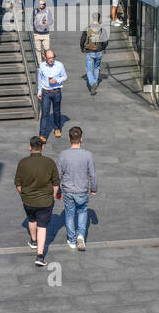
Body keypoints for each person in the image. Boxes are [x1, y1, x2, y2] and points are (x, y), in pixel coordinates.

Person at [15, 135, 60, 267]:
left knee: (31, 220)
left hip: (28, 200)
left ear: (30, 148)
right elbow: (56, 182)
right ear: (42, 148)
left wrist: (23, 194)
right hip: (45, 201)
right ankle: (40, 256)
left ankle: (33, 241)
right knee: (42, 226)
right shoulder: (49, 162)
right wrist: (53, 195)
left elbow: (18, 183)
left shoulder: (23, 163)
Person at [57, 125, 97, 251]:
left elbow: (57, 174)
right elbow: (92, 174)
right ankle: (81, 235)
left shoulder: (63, 155)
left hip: (68, 190)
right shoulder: (88, 155)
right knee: (82, 211)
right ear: (81, 139)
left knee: (69, 214)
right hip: (82, 190)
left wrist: (57, 190)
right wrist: (93, 188)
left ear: (69, 139)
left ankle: (72, 240)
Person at [37, 47, 67, 142]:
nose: (51, 60)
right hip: (46, 92)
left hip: (56, 91)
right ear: (45, 58)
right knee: (45, 113)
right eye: (49, 58)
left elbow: (65, 76)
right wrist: (39, 91)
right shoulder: (42, 66)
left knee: (57, 111)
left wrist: (57, 80)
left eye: (53, 58)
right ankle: (42, 134)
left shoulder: (59, 65)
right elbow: (40, 79)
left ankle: (57, 128)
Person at [79, 12, 107, 94]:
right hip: (99, 51)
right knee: (97, 67)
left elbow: (82, 40)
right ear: (99, 19)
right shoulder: (102, 29)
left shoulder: (87, 28)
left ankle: (92, 83)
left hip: (89, 51)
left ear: (92, 19)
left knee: (89, 70)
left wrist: (82, 48)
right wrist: (103, 48)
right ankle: (95, 82)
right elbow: (105, 41)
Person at [32, 0, 53, 67]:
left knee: (46, 49)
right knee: (38, 50)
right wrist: (38, 24)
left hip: (45, 34)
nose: (42, 5)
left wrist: (46, 23)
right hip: (37, 34)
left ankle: (45, 58)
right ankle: (40, 64)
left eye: (44, 4)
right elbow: (31, 22)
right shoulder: (35, 11)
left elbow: (51, 21)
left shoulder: (47, 11)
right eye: (41, 4)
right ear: (38, 4)